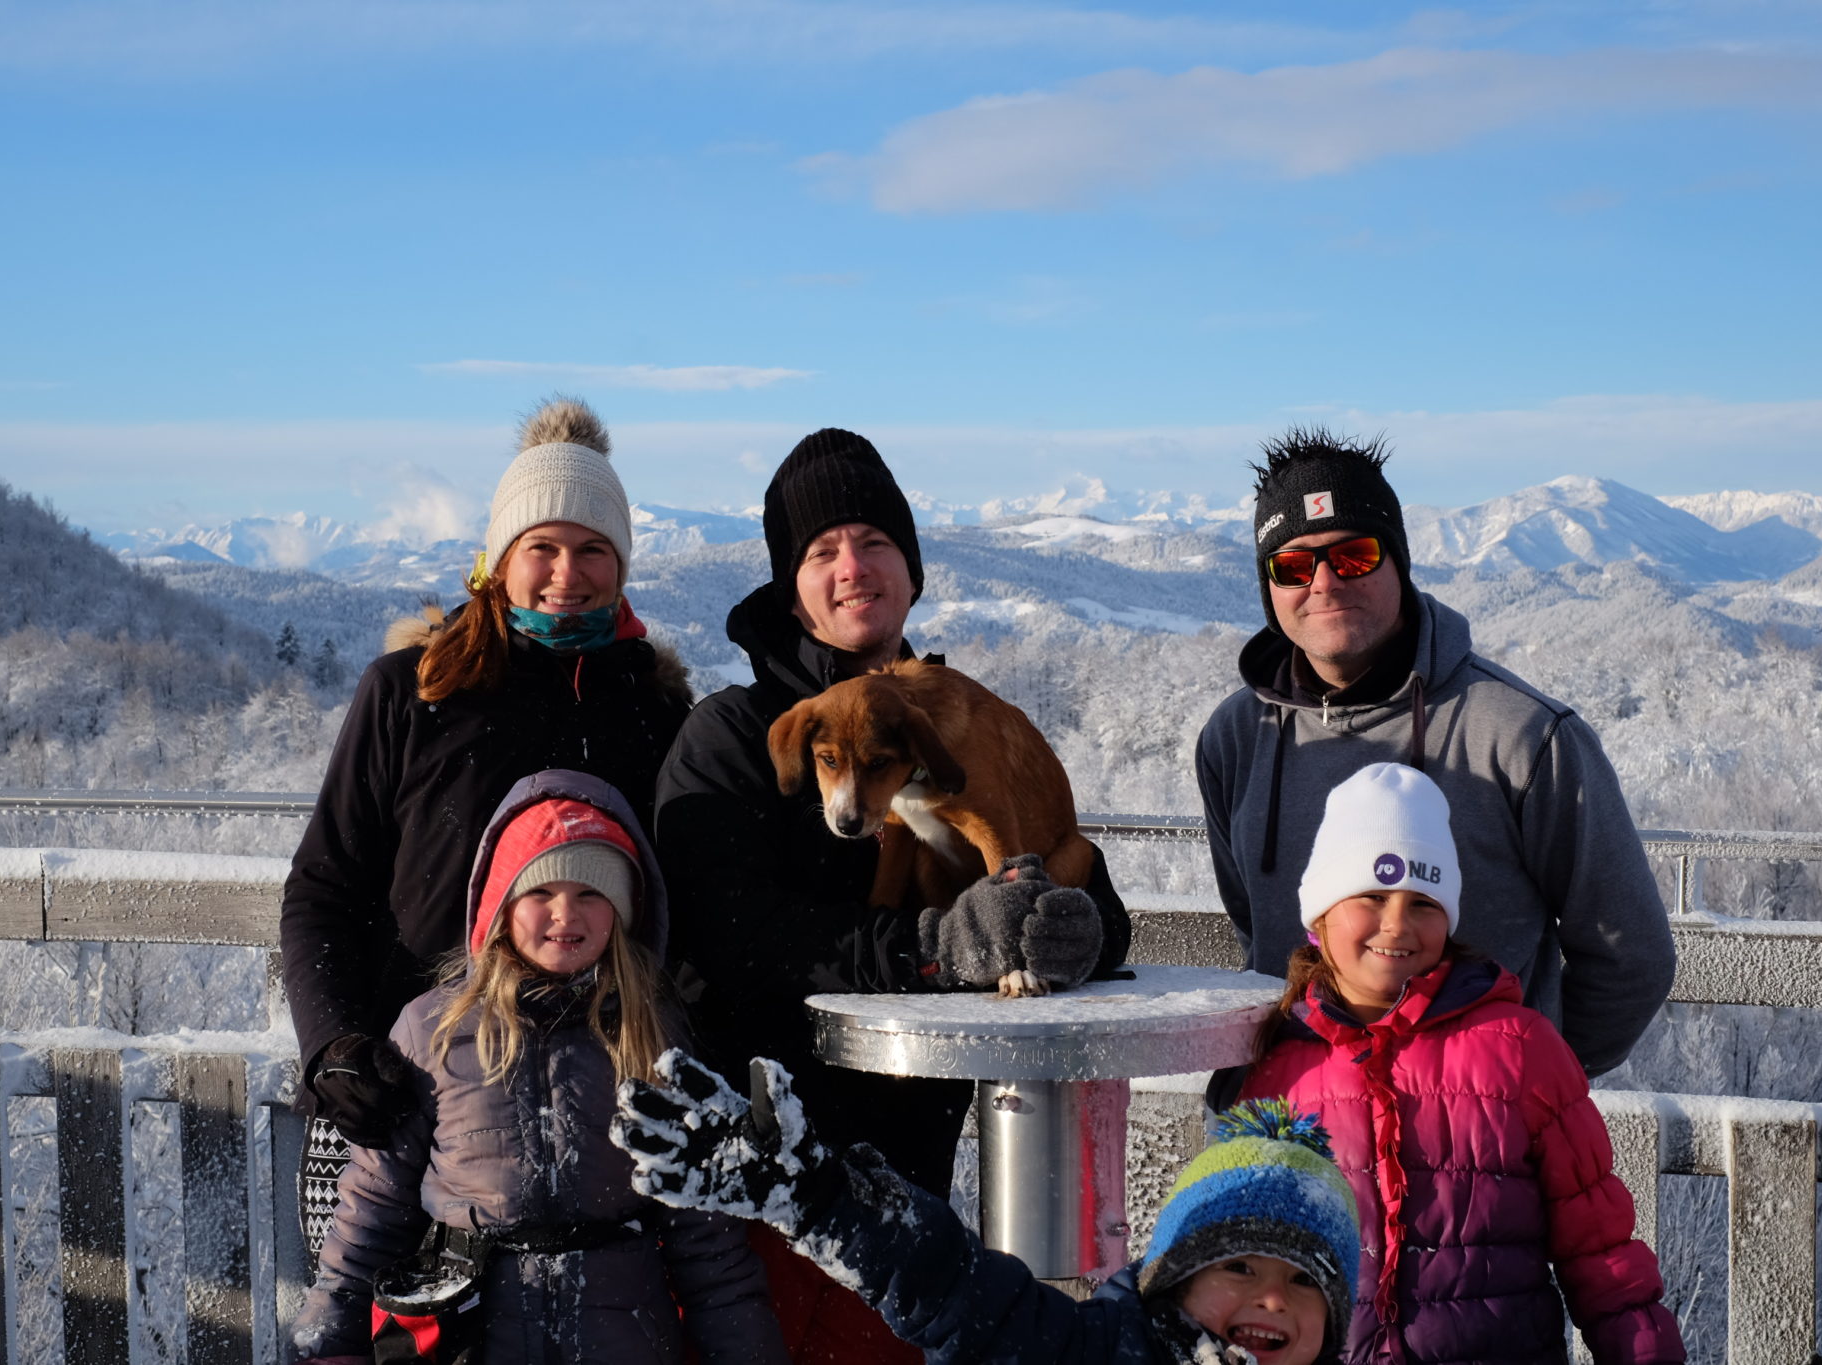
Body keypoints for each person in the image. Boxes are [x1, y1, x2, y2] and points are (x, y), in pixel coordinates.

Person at [651, 427, 1133, 1360]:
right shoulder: (731, 738)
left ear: (910, 571)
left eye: (875, 542)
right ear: (789, 583)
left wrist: (1083, 929)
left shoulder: (954, 718)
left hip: (917, 1212)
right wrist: (932, 948)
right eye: (822, 550)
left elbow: (1054, 857)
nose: (852, 567)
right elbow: (732, 940)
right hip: (769, 1188)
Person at [282, 396, 691, 1254]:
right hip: (404, 1099)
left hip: (592, 1108)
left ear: (621, 564)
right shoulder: (414, 690)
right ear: (499, 556)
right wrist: (335, 1047)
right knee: (377, 1334)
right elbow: (324, 886)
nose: (565, 574)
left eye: (592, 551)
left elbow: (672, 907)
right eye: (540, 547)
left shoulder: (653, 710)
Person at [1195, 428, 1675, 1079]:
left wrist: (1521, 1092)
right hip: (1288, 1131)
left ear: (1399, 559)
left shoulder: (1525, 737)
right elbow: (1257, 931)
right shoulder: (1235, 737)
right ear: (1268, 587)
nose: (1326, 580)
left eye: (1355, 554)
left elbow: (1630, 955)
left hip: (1468, 1154)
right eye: (1293, 566)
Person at [294, 770, 788, 1365]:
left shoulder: (654, 1033)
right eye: (540, 893)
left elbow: (708, 1243)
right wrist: (332, 1342)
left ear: (623, 910)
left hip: (624, 1340)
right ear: (501, 906)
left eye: (591, 894)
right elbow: (374, 1205)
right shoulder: (433, 1031)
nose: (565, 915)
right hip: (470, 1342)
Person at [1234, 763, 1685, 1364]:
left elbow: (1599, 1247)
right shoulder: (1278, 1070)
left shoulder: (1518, 1047)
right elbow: (1238, 1263)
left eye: (1424, 902)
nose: (1397, 922)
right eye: (1371, 895)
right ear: (1319, 916)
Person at [611, 1048, 1362, 1365]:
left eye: (1304, 1281)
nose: (1273, 1296)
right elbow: (950, 1285)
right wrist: (819, 1199)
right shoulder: (1096, 1350)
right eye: (1238, 1263)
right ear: (1173, 1275)